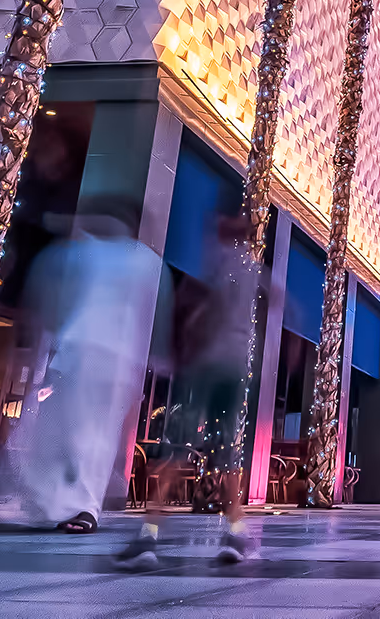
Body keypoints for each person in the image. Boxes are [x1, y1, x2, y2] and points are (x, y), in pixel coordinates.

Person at [0, 195, 169, 533]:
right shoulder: (141, 259)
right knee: (83, 433)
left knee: (77, 431)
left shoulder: (95, 252)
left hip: (93, 355)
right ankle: (70, 504)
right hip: (105, 359)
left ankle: (79, 506)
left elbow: (55, 298)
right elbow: (153, 313)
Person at [117, 214, 260, 569]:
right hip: (226, 370)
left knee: (182, 450)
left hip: (206, 370)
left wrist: (176, 348)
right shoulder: (249, 270)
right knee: (222, 453)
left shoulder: (220, 268)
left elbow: (197, 311)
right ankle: (234, 532)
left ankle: (150, 536)